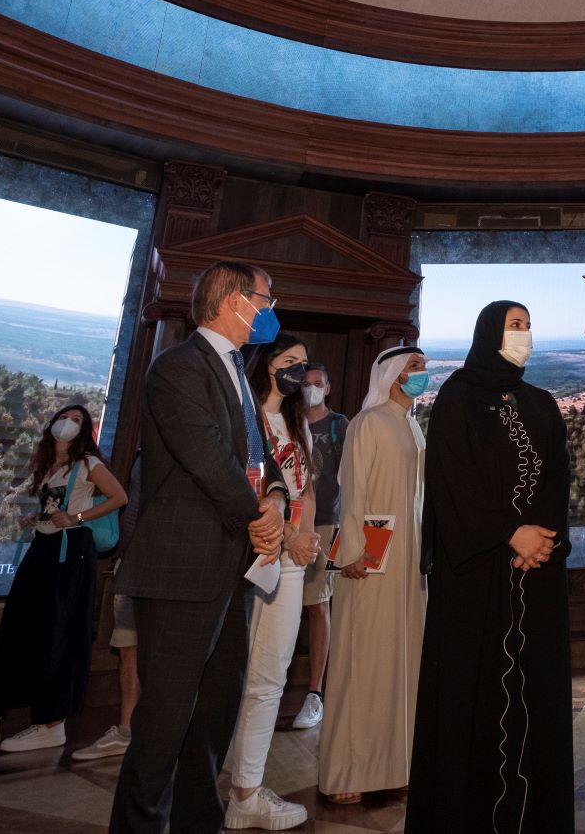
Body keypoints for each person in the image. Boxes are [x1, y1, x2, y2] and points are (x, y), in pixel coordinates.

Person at [109, 260, 291, 834]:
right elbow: (208, 455)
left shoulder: (239, 370)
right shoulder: (177, 367)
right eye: (266, 299)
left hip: (232, 567)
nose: (270, 310)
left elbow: (261, 456)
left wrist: (277, 500)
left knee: (214, 713)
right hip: (182, 566)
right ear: (235, 299)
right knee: (165, 720)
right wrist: (257, 518)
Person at [408, 301, 573, 832]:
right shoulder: (457, 397)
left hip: (536, 573)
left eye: (528, 326)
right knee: (470, 698)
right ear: (488, 333)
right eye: (514, 326)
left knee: (536, 697)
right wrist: (508, 531)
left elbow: (558, 478)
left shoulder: (542, 403)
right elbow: (450, 480)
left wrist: (541, 540)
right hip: (475, 576)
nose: (524, 334)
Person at [0, 403, 127, 754]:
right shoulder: (49, 466)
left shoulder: (90, 463)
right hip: (43, 547)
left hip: (71, 551)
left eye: (76, 420)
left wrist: (78, 518)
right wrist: (37, 518)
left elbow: (119, 497)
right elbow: (53, 507)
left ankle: (50, 722)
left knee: (58, 630)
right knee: (17, 627)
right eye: (64, 418)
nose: (68, 424)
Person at [319, 345, 429, 805]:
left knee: (401, 660)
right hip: (369, 558)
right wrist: (352, 552)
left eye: (424, 366)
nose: (422, 373)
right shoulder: (368, 422)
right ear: (391, 374)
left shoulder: (412, 425)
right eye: (414, 367)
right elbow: (352, 488)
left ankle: (395, 765)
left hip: (409, 560)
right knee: (361, 659)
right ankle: (345, 771)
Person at [221, 335, 320, 830]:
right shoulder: (244, 415)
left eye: (303, 364)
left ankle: (247, 787)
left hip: (289, 560)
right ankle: (235, 784)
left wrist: (304, 537)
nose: (298, 371)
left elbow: (307, 489)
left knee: (269, 676)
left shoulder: (297, 424)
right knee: (232, 672)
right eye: (289, 361)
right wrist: (284, 538)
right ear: (266, 364)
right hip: (249, 553)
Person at [74, 453, 142, 763]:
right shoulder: (141, 455)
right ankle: (126, 730)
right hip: (131, 561)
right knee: (128, 646)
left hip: (165, 564)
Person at [294, 361, 345, 730]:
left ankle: (315, 692)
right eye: (305, 383)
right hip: (290, 524)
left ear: (327, 388)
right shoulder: (291, 422)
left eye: (317, 383)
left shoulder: (339, 425)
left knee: (319, 604)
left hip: (330, 524)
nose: (311, 388)